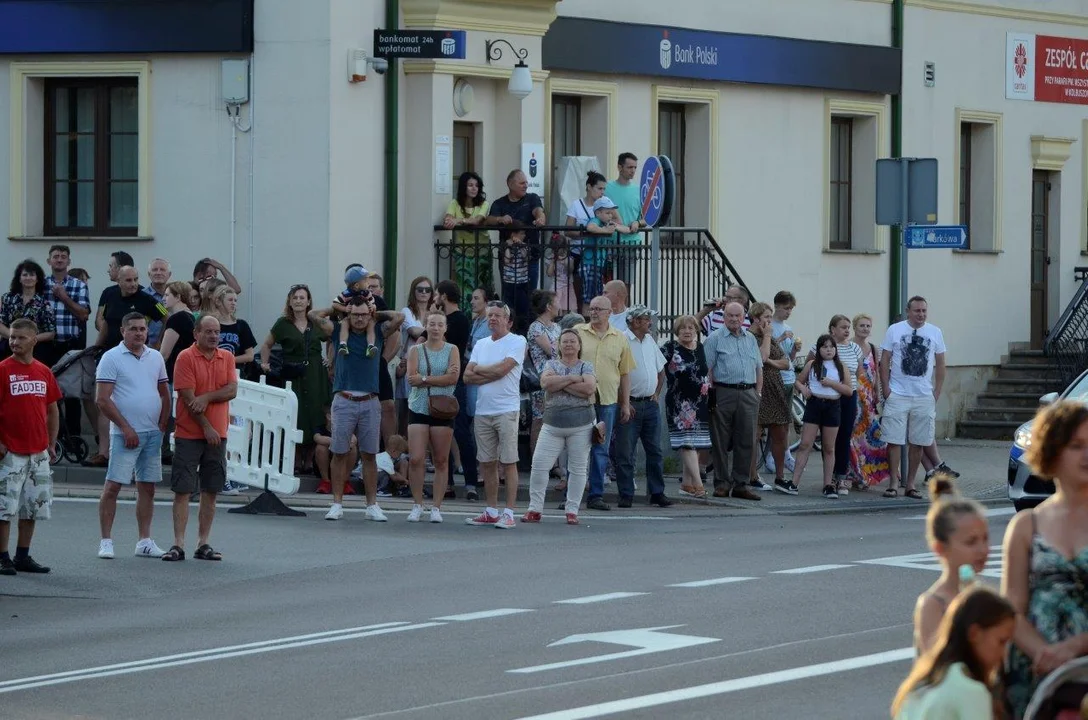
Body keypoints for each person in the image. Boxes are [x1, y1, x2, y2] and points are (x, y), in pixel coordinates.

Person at [1002, 400, 1088, 718]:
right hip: (1036, 675)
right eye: (1076, 446)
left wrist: (1073, 649)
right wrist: (1045, 655)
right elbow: (1012, 610)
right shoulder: (1027, 525)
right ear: (1052, 451)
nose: (1086, 455)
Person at [311, 299, 405, 522]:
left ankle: (372, 505)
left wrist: (376, 312)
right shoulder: (337, 332)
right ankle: (337, 504)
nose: (360, 319)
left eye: (364, 315)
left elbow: (399, 317)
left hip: (370, 400)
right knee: (340, 452)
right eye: (355, 315)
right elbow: (315, 315)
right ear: (349, 316)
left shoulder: (379, 333)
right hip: (344, 399)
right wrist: (338, 309)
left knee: (370, 455)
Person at [95, 313, 171, 559]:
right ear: (123, 331)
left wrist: (162, 425)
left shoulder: (156, 356)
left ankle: (144, 541)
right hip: (123, 433)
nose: (139, 333)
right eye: (134, 329)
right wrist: (125, 428)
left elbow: (164, 393)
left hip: (151, 433)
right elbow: (102, 400)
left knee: (147, 487)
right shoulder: (111, 357)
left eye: (143, 329)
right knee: (113, 486)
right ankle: (106, 541)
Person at [163, 315, 238, 562]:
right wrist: (206, 427)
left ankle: (203, 542)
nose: (214, 336)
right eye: (208, 331)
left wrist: (205, 398)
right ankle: (178, 544)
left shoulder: (226, 357)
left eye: (216, 332)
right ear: (196, 333)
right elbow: (187, 397)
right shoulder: (185, 357)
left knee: (211, 489)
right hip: (190, 433)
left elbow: (232, 390)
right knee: (183, 489)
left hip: (219, 434)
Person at [892, 587, 1016, 720]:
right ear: (974, 633)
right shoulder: (972, 692)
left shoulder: (918, 685)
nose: (1004, 654)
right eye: (1001, 642)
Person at [0, 319, 60, 576]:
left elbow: (52, 408)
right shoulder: (3, 369)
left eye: (21, 338)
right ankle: (3, 557)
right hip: (10, 451)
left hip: (38, 451)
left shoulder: (43, 371)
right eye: (12, 337)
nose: (15, 342)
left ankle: (22, 555)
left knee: (32, 506)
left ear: (34, 340)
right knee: (4, 508)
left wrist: (51, 442)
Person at [522, 329, 597, 525]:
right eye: (565, 341)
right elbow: (546, 383)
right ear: (558, 345)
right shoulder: (551, 364)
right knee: (539, 465)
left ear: (579, 345)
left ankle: (572, 510)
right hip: (552, 424)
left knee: (578, 469)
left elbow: (589, 388)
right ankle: (534, 508)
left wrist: (560, 383)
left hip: (581, 424)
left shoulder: (586, 366)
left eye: (573, 341)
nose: (569, 345)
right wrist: (573, 379)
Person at [464, 301, 526, 529]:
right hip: (483, 410)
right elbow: (467, 377)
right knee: (487, 463)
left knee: (508, 462)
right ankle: (491, 510)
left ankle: (508, 512)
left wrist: (481, 370)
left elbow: (503, 370)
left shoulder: (518, 341)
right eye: (490, 315)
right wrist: (489, 372)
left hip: (506, 410)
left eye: (497, 316)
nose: (492, 319)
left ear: (508, 321)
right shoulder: (480, 343)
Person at [912, 474, 989, 656]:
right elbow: (936, 667)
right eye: (971, 542)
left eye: (985, 539)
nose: (982, 549)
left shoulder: (982, 595)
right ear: (940, 548)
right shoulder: (933, 604)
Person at [259, 284, 331, 475]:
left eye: (302, 297)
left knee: (316, 412)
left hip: (316, 373)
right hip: (293, 373)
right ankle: (296, 458)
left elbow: (333, 337)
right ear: (290, 302)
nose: (298, 301)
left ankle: (310, 459)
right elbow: (266, 345)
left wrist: (329, 359)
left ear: (308, 301)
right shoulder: (283, 323)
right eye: (295, 298)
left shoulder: (316, 322)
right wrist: (265, 364)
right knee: (295, 414)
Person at [880, 296, 946, 499]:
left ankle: (910, 484)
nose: (921, 315)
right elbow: (884, 360)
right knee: (893, 440)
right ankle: (893, 483)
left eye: (924, 311)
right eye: (917, 311)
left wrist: (936, 392)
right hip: (898, 393)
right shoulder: (895, 330)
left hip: (923, 395)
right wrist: (886, 389)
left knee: (918, 441)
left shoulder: (935, 332)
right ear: (908, 311)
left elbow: (941, 363)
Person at [576, 296, 635, 511]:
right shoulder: (578, 332)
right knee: (577, 448)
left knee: (600, 448)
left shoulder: (620, 338)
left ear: (610, 312)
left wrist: (625, 404)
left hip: (608, 400)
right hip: (581, 400)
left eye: (599, 309)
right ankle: (571, 495)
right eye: (591, 309)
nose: (594, 312)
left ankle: (596, 495)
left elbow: (625, 373)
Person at [704, 302, 762, 501]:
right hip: (723, 392)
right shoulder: (714, 339)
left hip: (748, 393)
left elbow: (758, 367)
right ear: (724, 316)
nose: (734, 319)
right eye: (730, 315)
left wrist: (758, 394)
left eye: (738, 315)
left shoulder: (751, 338)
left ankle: (741, 484)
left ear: (744, 316)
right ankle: (721, 483)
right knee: (720, 440)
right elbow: (707, 369)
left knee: (746, 440)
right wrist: (711, 395)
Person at [405, 311, 460, 523]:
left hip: (442, 407)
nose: (436, 328)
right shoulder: (415, 350)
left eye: (440, 324)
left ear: (445, 328)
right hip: (418, 406)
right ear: (426, 327)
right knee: (417, 458)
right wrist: (438, 379)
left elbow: (453, 378)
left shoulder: (452, 350)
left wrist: (425, 378)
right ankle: (417, 503)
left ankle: (436, 506)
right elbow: (412, 379)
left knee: (441, 459)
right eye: (432, 324)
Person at [615, 306, 672, 508]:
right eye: (647, 319)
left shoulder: (650, 341)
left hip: (649, 403)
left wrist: (656, 393)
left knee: (655, 451)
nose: (650, 323)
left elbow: (661, 371)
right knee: (625, 451)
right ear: (636, 321)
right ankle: (626, 493)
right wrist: (624, 401)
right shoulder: (621, 340)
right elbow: (618, 374)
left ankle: (657, 492)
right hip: (630, 402)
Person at [790, 334, 853, 499]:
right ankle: (794, 483)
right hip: (814, 405)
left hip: (833, 406)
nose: (829, 350)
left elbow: (848, 390)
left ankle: (828, 484)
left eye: (831, 347)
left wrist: (832, 384)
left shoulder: (840, 366)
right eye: (825, 347)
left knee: (829, 447)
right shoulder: (812, 364)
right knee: (805, 444)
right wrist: (803, 389)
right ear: (818, 349)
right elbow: (798, 381)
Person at [661, 315, 710, 498]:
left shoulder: (701, 348)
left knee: (695, 444)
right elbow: (657, 365)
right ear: (677, 331)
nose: (687, 331)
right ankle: (698, 486)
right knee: (687, 444)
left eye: (691, 328)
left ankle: (686, 484)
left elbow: (705, 371)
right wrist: (656, 390)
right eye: (683, 328)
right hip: (679, 403)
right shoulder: (669, 348)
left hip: (699, 402)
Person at [747, 302, 791, 493]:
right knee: (754, 436)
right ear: (756, 319)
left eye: (770, 317)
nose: (769, 321)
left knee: (780, 434)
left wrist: (771, 362)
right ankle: (752, 476)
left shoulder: (770, 337)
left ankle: (780, 477)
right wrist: (766, 337)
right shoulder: (750, 336)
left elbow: (786, 363)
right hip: (757, 390)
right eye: (766, 317)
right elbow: (761, 358)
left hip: (775, 388)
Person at [487, 169, 546, 300]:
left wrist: (540, 218)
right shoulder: (499, 203)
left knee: (530, 297)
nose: (526, 185)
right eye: (521, 183)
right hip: (508, 260)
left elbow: (538, 210)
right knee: (508, 297)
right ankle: (508, 320)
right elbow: (489, 219)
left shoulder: (532, 198)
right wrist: (500, 219)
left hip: (530, 257)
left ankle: (529, 321)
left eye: (526, 182)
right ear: (510, 184)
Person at [436, 280, 471, 498]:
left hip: (453, 379)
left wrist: (431, 316)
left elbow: (437, 341)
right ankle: (446, 483)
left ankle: (470, 482)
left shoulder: (457, 319)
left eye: (437, 294)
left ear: (444, 296)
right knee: (441, 432)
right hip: (438, 379)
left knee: (460, 431)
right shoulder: (444, 320)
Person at [849, 313, 889, 489]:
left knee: (870, 439)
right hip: (852, 397)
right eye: (862, 326)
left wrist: (877, 393)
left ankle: (866, 473)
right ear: (854, 327)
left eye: (868, 326)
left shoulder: (873, 349)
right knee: (852, 438)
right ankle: (852, 474)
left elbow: (878, 373)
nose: (865, 329)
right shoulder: (848, 346)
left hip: (868, 401)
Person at [442, 171, 491, 305]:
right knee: (464, 286)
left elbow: (477, 220)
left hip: (481, 251)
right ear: (463, 187)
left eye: (476, 185)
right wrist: (452, 220)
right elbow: (447, 219)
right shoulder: (455, 203)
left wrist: (458, 221)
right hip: (462, 252)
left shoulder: (483, 204)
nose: (474, 188)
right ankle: (467, 316)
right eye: (470, 185)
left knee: (482, 288)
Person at [461, 287, 491, 502]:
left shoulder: (488, 323)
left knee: (479, 424)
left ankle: (484, 469)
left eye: (476, 298)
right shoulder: (477, 321)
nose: (472, 302)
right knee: (472, 424)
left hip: (479, 379)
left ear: (487, 301)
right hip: (470, 377)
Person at [565, 170, 608, 313]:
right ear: (589, 187)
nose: (602, 192)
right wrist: (587, 233)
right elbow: (568, 230)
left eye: (604, 189)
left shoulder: (605, 207)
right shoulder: (576, 205)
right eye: (599, 188)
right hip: (578, 253)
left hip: (598, 256)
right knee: (579, 292)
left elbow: (615, 222)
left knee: (597, 294)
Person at [393, 277, 431, 437]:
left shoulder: (433, 312)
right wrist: (435, 332)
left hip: (431, 365)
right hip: (410, 365)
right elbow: (414, 332)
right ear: (413, 291)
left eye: (427, 290)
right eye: (420, 289)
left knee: (428, 411)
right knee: (407, 412)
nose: (423, 293)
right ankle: (404, 450)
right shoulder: (406, 312)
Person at [1, 260, 57, 362]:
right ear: (19, 279)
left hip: (36, 349)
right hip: (9, 347)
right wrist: (15, 338)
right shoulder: (7, 298)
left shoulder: (44, 303)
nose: (28, 278)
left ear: (37, 279)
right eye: (24, 275)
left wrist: (28, 340)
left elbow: (51, 333)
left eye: (32, 275)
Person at [527, 290, 560, 459]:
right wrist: (557, 345)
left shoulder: (556, 327)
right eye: (557, 302)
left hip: (558, 377)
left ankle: (553, 462)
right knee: (539, 420)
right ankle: (536, 459)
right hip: (542, 378)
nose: (559, 305)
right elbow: (553, 351)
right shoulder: (536, 327)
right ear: (548, 306)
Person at [605, 152, 648, 283]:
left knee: (626, 284)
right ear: (620, 167)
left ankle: (624, 305)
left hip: (631, 243)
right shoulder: (607, 188)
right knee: (608, 284)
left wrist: (638, 222)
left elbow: (647, 218)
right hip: (609, 242)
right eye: (629, 167)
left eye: (635, 167)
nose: (633, 171)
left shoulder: (639, 190)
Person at [332, 266, 377, 358]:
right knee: (344, 323)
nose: (368, 283)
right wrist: (344, 309)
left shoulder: (366, 293)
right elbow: (335, 304)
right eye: (366, 280)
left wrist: (372, 306)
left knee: (371, 324)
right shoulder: (346, 294)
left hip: (364, 319)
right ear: (357, 285)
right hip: (349, 318)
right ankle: (343, 344)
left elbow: (373, 304)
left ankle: (370, 345)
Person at [144, 258, 172, 347]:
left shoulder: (177, 296)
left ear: (169, 274)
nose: (158, 273)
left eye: (162, 270)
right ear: (149, 274)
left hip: (171, 346)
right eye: (154, 270)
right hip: (146, 346)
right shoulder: (142, 296)